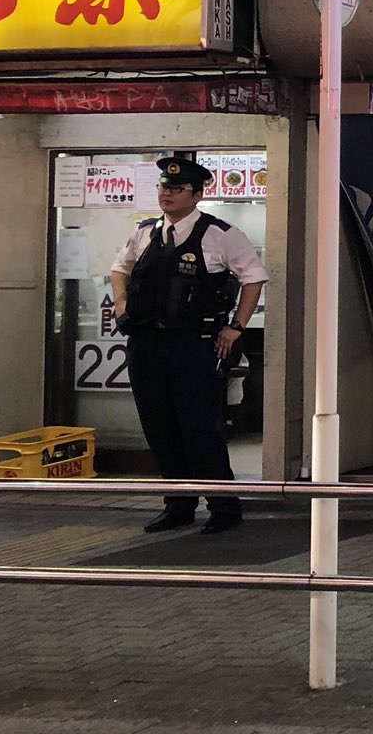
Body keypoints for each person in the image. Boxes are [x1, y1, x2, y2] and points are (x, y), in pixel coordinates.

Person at [109, 153, 269, 535]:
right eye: (164, 187)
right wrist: (121, 302)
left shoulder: (219, 234)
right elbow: (119, 268)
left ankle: (223, 506)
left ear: (197, 195)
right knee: (159, 428)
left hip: (193, 344)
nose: (167, 194)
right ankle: (178, 505)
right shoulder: (146, 232)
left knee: (200, 429)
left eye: (177, 189)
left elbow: (254, 278)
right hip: (146, 342)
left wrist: (236, 327)